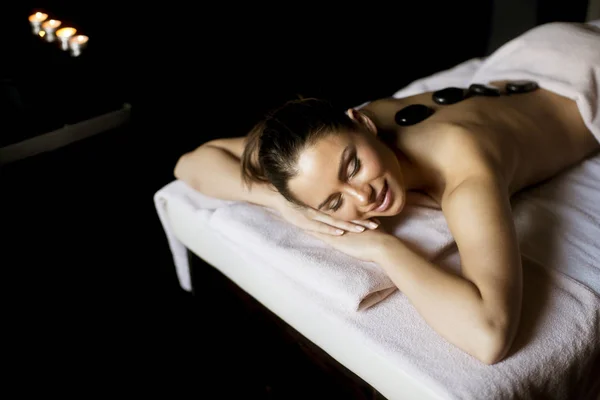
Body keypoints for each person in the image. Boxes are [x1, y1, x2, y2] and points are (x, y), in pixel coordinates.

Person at [173, 20, 600, 365]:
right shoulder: (317, 143)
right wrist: (280, 202)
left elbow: (489, 336)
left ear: (363, 123)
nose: (363, 197)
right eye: (333, 202)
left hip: (585, 74)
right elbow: (191, 162)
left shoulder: (464, 169)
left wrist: (383, 248)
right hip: (533, 56)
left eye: (353, 166)